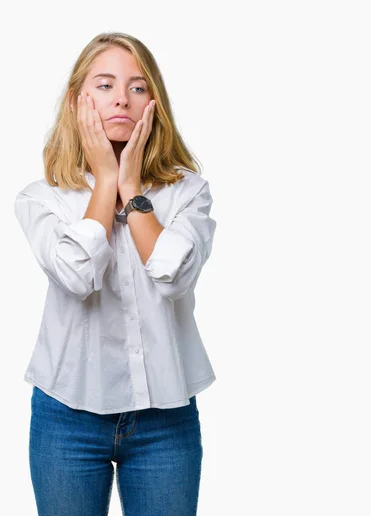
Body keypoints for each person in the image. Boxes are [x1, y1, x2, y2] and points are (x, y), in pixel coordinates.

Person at [14, 32, 218, 516]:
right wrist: (106, 181)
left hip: (165, 422)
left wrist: (131, 185)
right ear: (76, 101)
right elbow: (77, 276)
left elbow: (172, 275)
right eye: (104, 85)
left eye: (137, 87)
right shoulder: (42, 198)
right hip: (66, 419)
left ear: (155, 102)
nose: (122, 99)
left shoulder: (188, 192)